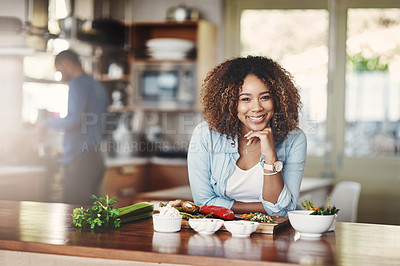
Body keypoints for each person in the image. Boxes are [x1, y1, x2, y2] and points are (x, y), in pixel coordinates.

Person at [187, 55, 307, 217]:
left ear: (277, 99)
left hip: (276, 235)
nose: (257, 107)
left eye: (265, 97)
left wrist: (271, 157)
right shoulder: (205, 135)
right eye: (245, 99)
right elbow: (204, 202)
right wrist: (264, 208)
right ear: (230, 103)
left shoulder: (294, 139)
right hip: (221, 232)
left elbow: (285, 209)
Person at [39, 49, 108, 205]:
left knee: (74, 213)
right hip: (96, 158)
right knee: (93, 216)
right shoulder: (98, 87)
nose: (61, 77)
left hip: (80, 161)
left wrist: (45, 122)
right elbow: (105, 127)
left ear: (67, 64)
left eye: (59, 71)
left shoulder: (77, 84)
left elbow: (73, 119)